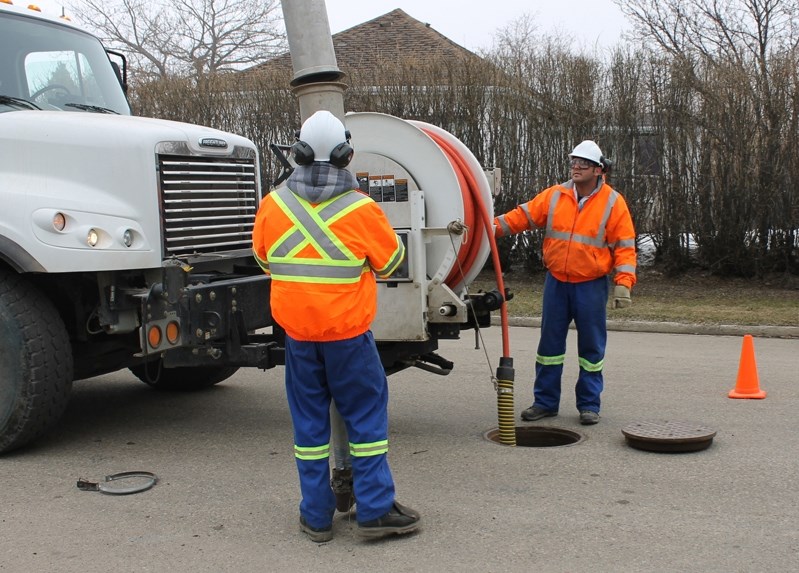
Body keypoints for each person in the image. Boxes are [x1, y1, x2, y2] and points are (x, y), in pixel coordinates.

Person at [251, 110, 421, 542]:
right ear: (346, 155)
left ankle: (316, 516)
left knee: (309, 428)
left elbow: (264, 259)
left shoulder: (273, 205)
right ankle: (376, 510)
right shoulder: (362, 208)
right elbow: (394, 263)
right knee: (365, 422)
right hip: (348, 338)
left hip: (298, 339)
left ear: (299, 152)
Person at [493, 140, 637, 425]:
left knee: (591, 350)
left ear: (599, 169)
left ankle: (589, 405)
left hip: (591, 285)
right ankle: (545, 403)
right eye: (574, 161)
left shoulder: (612, 202)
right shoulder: (556, 195)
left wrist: (624, 282)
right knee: (549, 346)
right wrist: (488, 227)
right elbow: (523, 216)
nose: (576, 166)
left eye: (583, 163)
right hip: (557, 282)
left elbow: (625, 246)